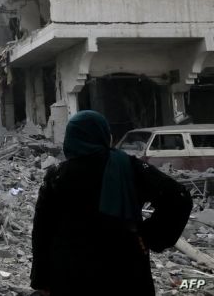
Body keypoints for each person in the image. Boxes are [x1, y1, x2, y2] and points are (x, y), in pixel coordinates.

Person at [30, 110, 192, 296]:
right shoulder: (129, 167)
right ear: (104, 136)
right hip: (123, 269)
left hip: (71, 273)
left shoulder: (57, 175)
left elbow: (42, 231)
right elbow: (179, 197)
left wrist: (41, 280)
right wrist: (149, 236)